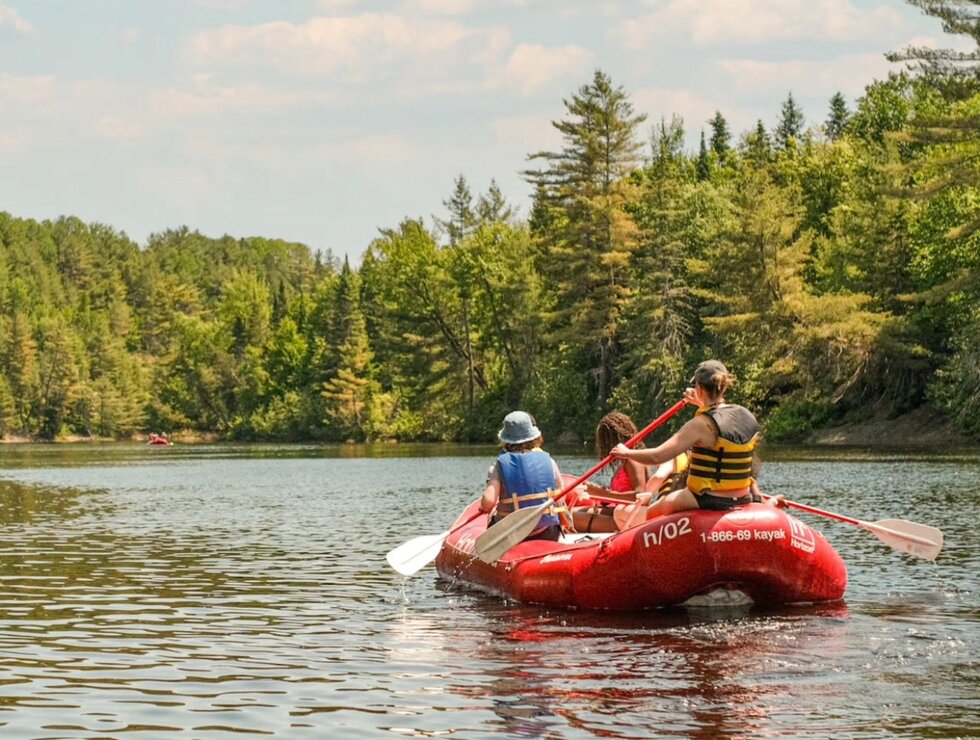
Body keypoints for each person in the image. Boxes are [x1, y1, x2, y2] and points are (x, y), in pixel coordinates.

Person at [611, 360, 767, 519]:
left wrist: (627, 452)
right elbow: (721, 423)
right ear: (724, 386)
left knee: (656, 509)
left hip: (707, 498)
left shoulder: (699, 425)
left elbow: (657, 456)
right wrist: (700, 403)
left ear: (698, 388)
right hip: (742, 496)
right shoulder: (746, 415)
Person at [480, 411, 568, 542]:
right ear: (533, 437)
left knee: (492, 514)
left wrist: (483, 506)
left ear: (504, 440)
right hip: (547, 532)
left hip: (511, 533)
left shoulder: (498, 465)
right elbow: (561, 493)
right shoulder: (549, 461)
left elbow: (488, 502)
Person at [572, 411, 649, 533]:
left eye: (605, 441)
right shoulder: (626, 460)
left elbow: (642, 497)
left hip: (627, 519)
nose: (604, 446)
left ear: (614, 438)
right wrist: (600, 492)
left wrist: (604, 493)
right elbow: (621, 492)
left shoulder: (633, 460)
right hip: (617, 512)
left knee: (568, 518)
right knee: (568, 512)